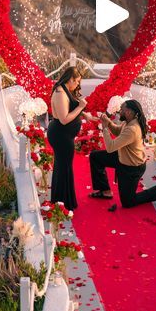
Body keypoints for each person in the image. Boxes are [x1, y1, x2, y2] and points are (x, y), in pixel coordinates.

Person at [89, 99, 156, 208]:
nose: (119, 111)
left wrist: (105, 128)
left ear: (128, 112)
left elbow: (110, 147)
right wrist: (109, 123)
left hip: (132, 168)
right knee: (95, 157)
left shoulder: (133, 129)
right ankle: (105, 191)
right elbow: (117, 131)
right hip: (121, 158)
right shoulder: (128, 122)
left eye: (122, 109)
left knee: (128, 202)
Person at [47, 67, 87, 210]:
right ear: (70, 79)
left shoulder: (64, 89)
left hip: (64, 135)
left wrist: (86, 114)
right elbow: (64, 119)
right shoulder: (60, 93)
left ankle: (61, 200)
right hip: (61, 135)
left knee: (63, 167)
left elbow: (71, 109)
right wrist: (80, 107)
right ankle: (62, 202)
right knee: (64, 167)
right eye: (76, 82)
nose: (77, 85)